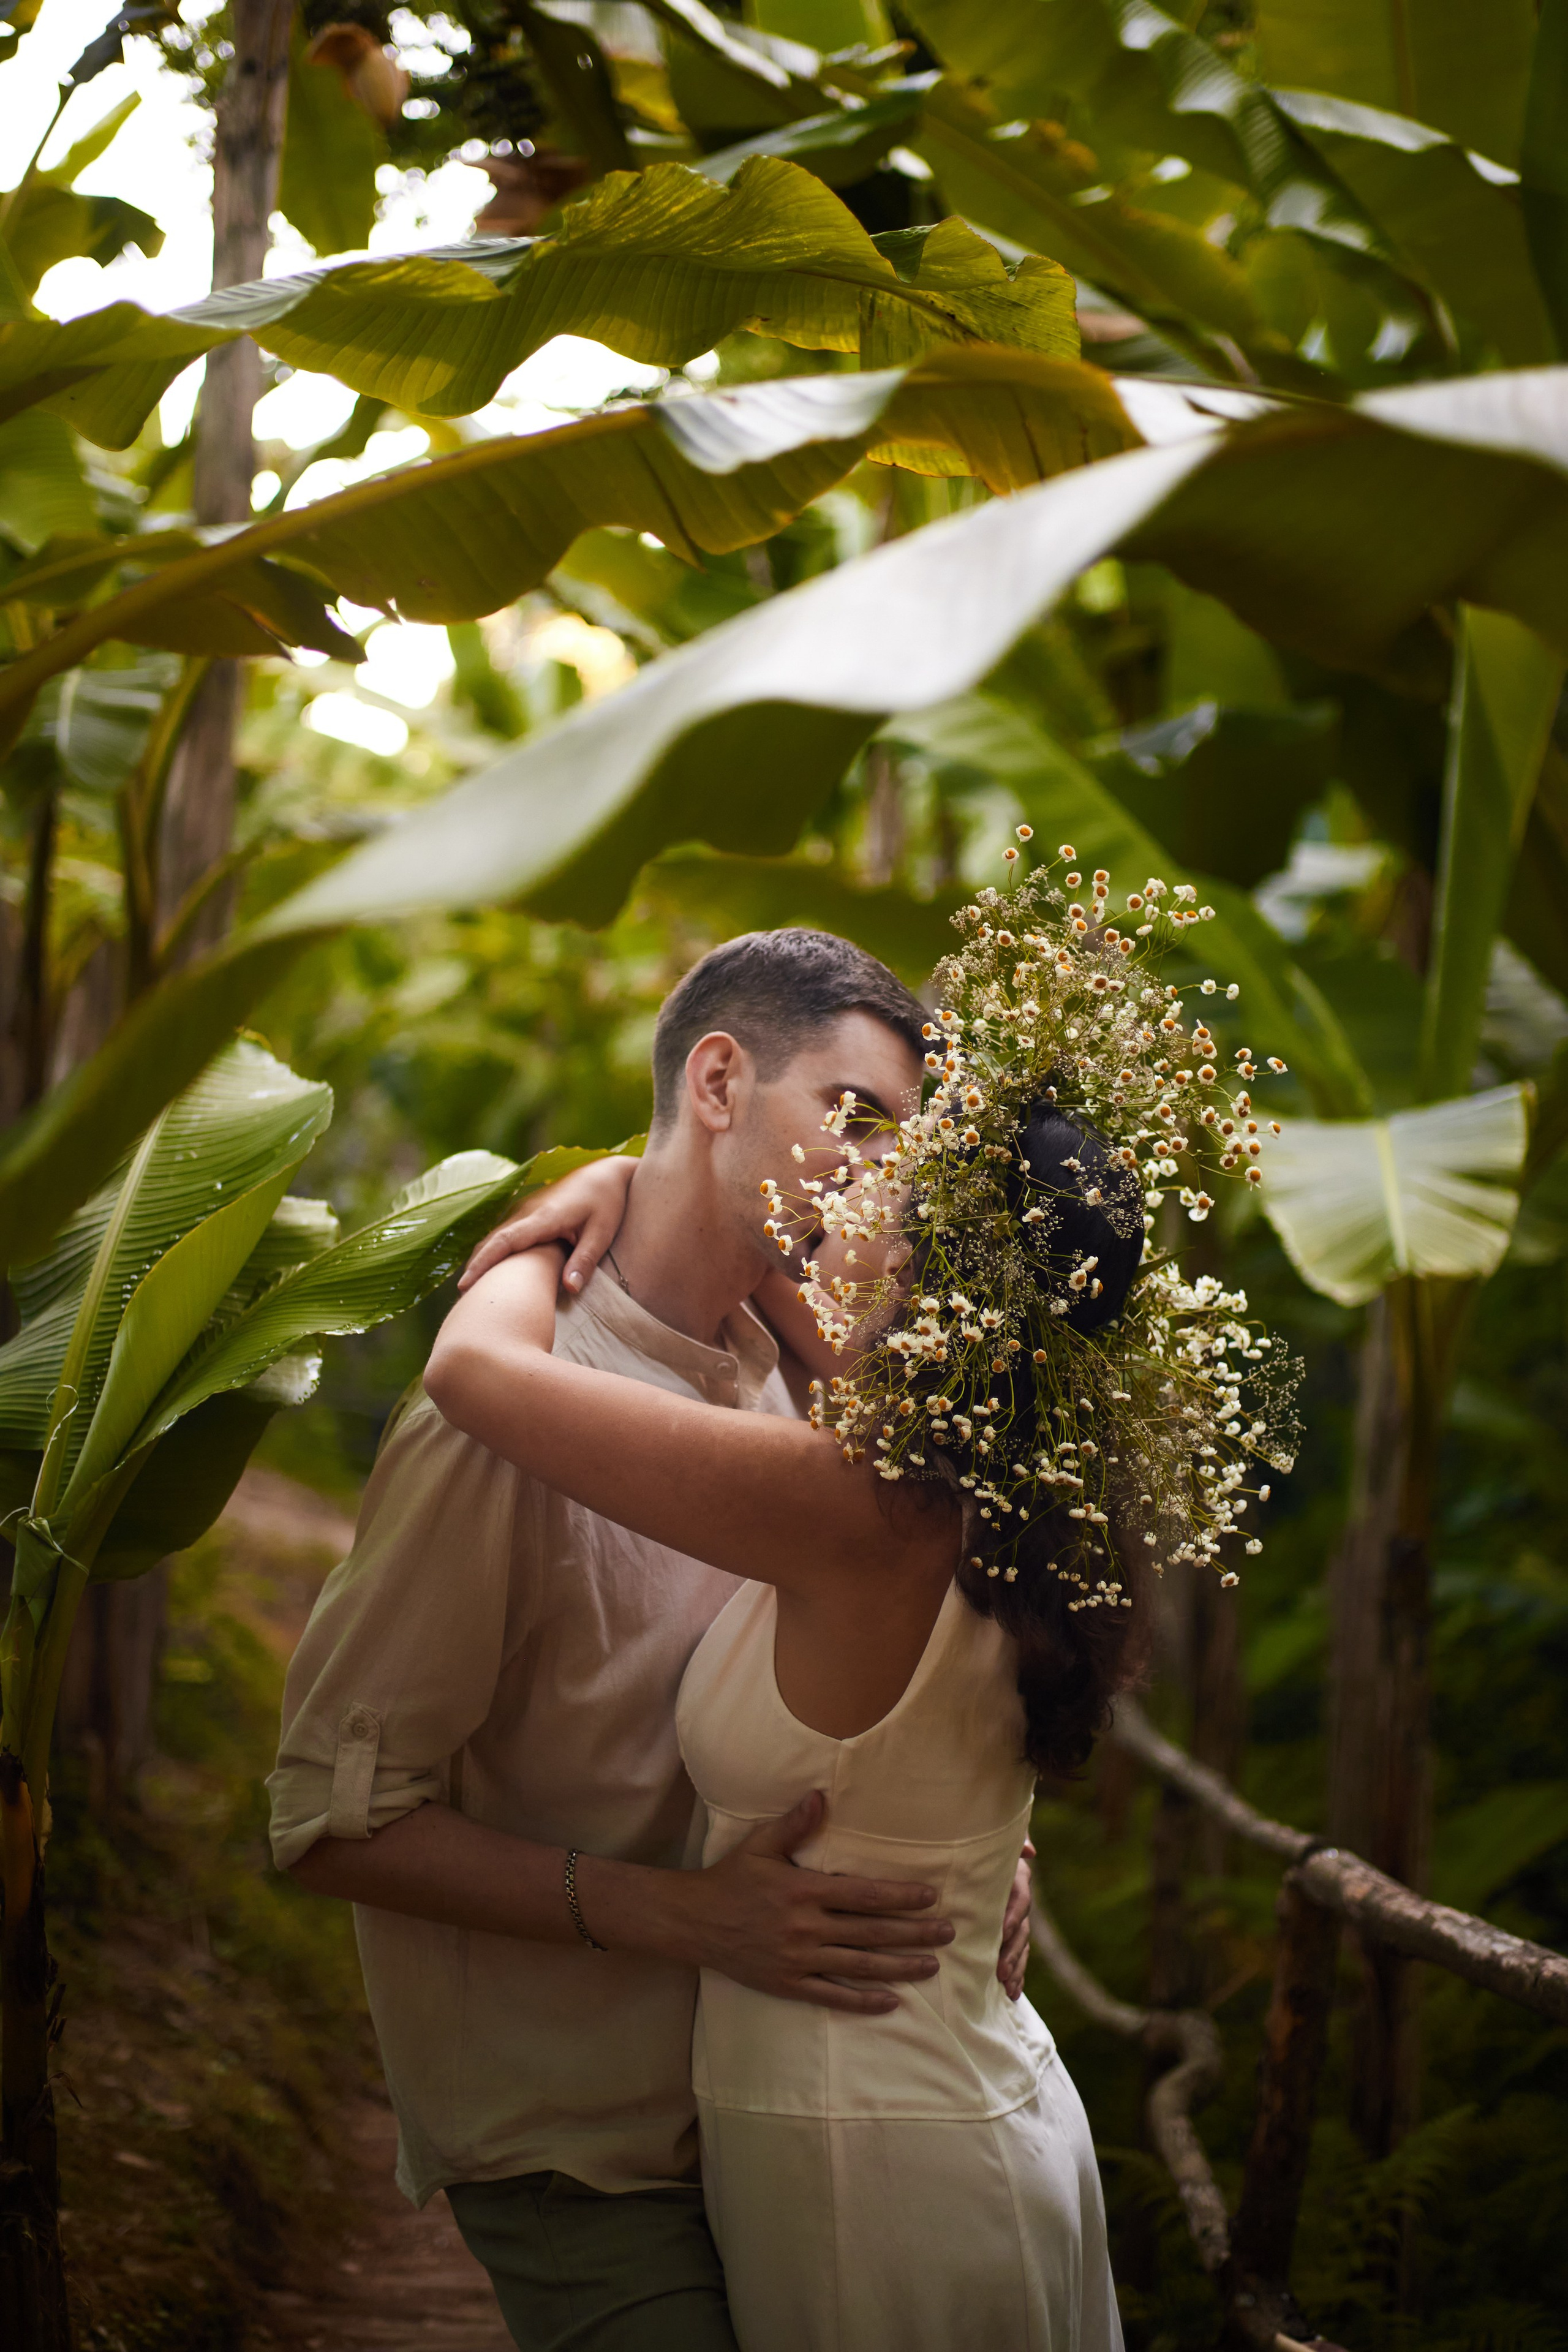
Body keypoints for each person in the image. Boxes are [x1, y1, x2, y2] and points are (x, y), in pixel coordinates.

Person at [268, 928, 1035, 2352]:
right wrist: (680, 1917)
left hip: (789, 2109)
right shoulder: (507, 1416)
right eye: (849, 1119)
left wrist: (964, 1845)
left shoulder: (807, 1386)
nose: (872, 1175)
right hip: (583, 2143)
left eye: (898, 1149)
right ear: (721, 1080)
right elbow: (323, 1822)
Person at [423, 1094, 1139, 2341]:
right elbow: (802, 1312)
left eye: (885, 1181)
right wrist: (630, 1181)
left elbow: (475, 1373)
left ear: (922, 1265)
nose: (846, 1188)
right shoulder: (1011, 1465)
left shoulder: (854, 1507)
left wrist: (545, 1233)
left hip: (871, 2150)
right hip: (961, 2092)